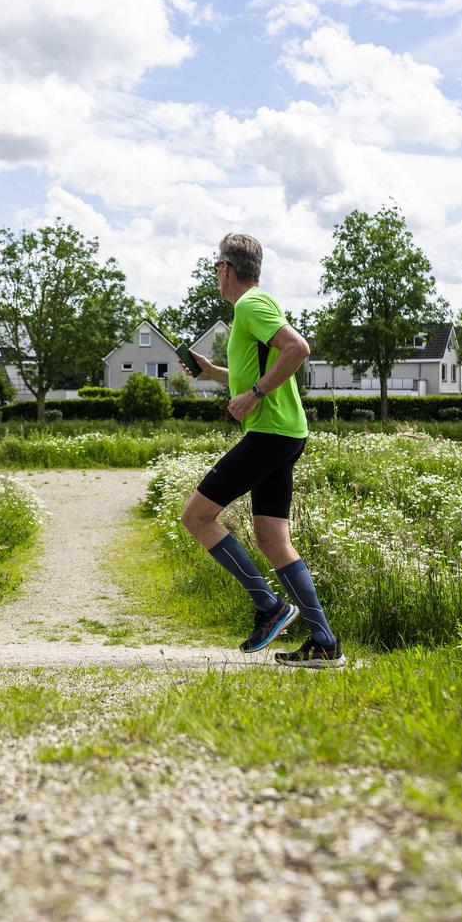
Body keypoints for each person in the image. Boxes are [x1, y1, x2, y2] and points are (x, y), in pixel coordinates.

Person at [177, 233, 345, 669]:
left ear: (225, 269)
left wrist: (253, 394)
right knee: (272, 539)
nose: (216, 273)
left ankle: (269, 606)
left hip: (270, 432)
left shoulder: (251, 305)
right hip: (284, 433)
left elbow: (298, 349)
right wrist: (212, 372)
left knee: (196, 516)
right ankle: (325, 643)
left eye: (216, 266)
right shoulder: (250, 312)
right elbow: (258, 367)